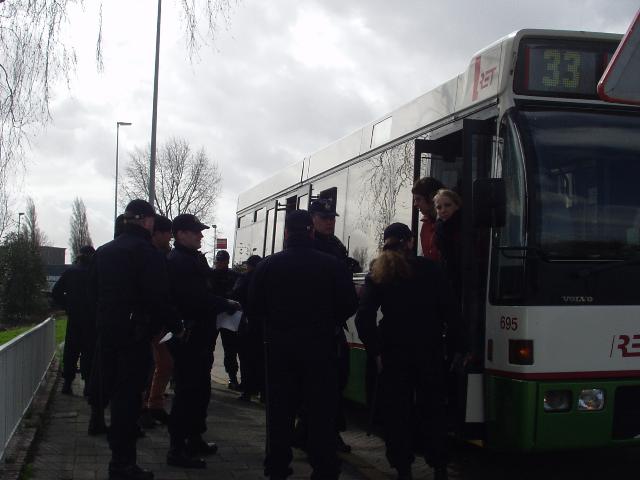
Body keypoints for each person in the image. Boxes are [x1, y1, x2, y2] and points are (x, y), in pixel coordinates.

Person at [248, 209, 358, 480]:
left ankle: (276, 467)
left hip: (279, 350)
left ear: (286, 233)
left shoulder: (267, 266)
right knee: (321, 413)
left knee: (279, 413)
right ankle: (324, 468)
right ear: (311, 231)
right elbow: (348, 304)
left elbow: (254, 308)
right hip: (320, 350)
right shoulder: (332, 265)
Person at [355, 222, 463, 480]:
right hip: (430, 349)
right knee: (433, 409)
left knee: (397, 412)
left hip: (394, 352)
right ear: (410, 242)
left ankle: (403, 467)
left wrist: (375, 351)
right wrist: (459, 346)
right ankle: (438, 465)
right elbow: (451, 311)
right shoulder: (432, 269)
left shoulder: (378, 272)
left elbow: (364, 317)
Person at [89, 199, 182, 480]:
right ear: (147, 221)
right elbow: (158, 297)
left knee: (109, 388)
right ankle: (122, 464)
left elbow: (94, 291)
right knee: (127, 401)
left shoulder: (104, 252)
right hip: (135, 336)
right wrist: (172, 325)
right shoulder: (148, 253)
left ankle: (115, 454)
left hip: (107, 332)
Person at [166, 214, 240, 469]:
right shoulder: (178, 262)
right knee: (187, 392)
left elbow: (207, 288)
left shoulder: (193, 259)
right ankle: (177, 449)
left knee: (200, 390)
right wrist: (226, 304)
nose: (201, 235)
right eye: (196, 231)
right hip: (189, 336)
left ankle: (195, 437)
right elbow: (194, 300)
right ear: (181, 234)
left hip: (202, 336)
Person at [306, 198, 360, 453]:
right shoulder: (309, 245)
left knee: (336, 380)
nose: (329, 222)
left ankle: (318, 432)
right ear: (312, 219)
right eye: (324, 218)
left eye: (332, 218)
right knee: (323, 384)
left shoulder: (335, 245)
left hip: (334, 325)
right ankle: (321, 435)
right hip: (317, 325)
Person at [140, 215, 174, 427]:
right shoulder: (152, 257)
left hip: (155, 321)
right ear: (157, 233)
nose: (170, 237)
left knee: (162, 364)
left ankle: (154, 403)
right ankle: (148, 406)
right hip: (149, 322)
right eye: (167, 233)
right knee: (153, 365)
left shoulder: (161, 255)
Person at [52, 245, 96, 396]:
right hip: (91, 319)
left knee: (71, 351)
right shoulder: (95, 273)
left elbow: (56, 291)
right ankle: (88, 384)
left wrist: (67, 305)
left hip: (74, 317)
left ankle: (67, 383)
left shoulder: (70, 272)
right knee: (89, 352)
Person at [232, 254, 264, 402]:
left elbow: (235, 294)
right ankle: (264, 392)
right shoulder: (267, 278)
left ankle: (247, 390)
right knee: (262, 359)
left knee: (246, 359)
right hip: (264, 326)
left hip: (246, 323)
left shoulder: (245, 278)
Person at [210, 249, 242, 390]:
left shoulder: (234, 276)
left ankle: (232, 376)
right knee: (208, 347)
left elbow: (237, 292)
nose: (219, 263)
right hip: (214, 314)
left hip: (228, 315)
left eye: (222, 260)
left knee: (230, 349)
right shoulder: (211, 275)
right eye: (218, 260)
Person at [434, 189, 463, 300]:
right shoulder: (439, 228)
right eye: (439, 207)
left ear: (457, 206)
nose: (443, 210)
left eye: (447, 205)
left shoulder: (463, 226)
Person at [411, 177, 444, 260]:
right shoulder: (426, 225)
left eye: (418, 199)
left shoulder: (450, 225)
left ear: (432, 198)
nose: (415, 204)